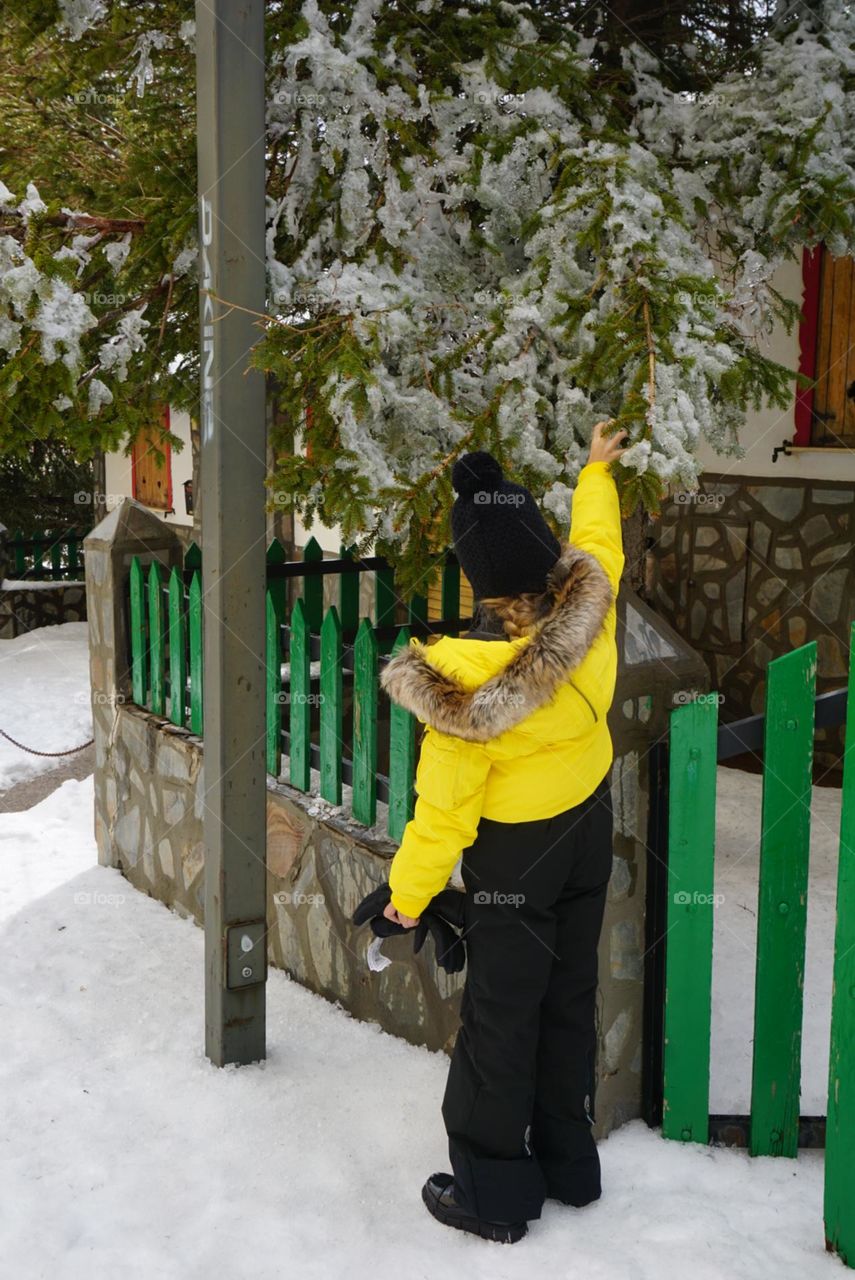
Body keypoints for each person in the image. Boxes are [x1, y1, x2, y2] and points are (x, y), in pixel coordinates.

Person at [379, 420, 627, 1244]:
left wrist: (406, 901)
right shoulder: (593, 606)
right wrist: (595, 471)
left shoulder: (462, 687)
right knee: (568, 997)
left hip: (517, 858)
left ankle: (492, 1193)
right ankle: (567, 1164)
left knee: (500, 1016)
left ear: (476, 578)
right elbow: (599, 538)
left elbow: (442, 815)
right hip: (587, 831)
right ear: (547, 552)